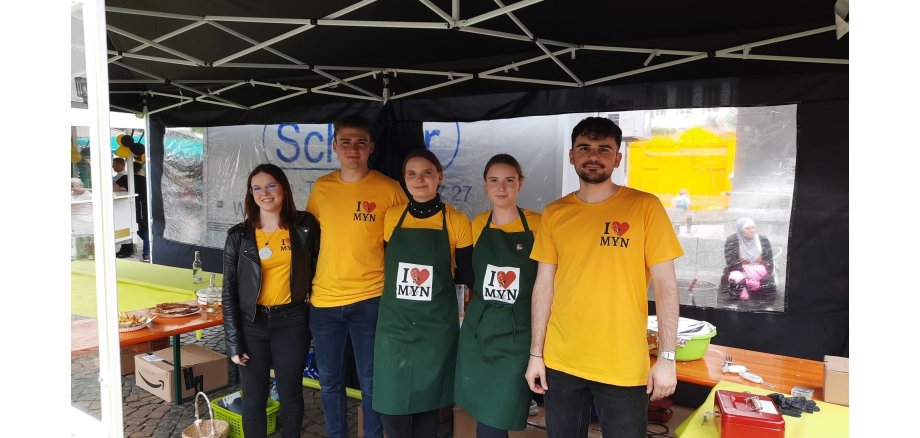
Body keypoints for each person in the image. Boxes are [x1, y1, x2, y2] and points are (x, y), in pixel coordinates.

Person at [524, 117, 684, 438]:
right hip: (562, 360)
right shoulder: (555, 213)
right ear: (572, 156)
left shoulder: (644, 207)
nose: (593, 156)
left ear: (617, 158)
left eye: (603, 149)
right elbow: (543, 287)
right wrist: (536, 354)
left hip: (622, 363)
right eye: (584, 148)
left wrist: (667, 357)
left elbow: (666, 286)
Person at [305, 115, 407, 438]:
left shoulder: (389, 189)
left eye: (360, 142)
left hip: (371, 300)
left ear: (371, 148)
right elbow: (309, 240)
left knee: (372, 382)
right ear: (334, 146)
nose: (353, 149)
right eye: (345, 142)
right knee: (330, 383)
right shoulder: (322, 188)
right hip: (324, 302)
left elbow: (405, 240)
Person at [374, 149, 474, 438]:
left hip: (435, 330)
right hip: (394, 327)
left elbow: (467, 277)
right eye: (412, 174)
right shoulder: (392, 217)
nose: (419, 180)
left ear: (439, 177)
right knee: (392, 411)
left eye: (427, 173)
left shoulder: (456, 221)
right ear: (404, 179)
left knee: (428, 412)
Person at [222, 163, 320, 438]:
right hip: (252, 323)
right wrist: (233, 341)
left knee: (290, 394)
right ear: (250, 194)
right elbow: (229, 291)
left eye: (271, 185)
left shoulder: (305, 226)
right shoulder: (238, 236)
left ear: (284, 188)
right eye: (257, 188)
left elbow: (320, 266)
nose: (264, 193)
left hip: (292, 321)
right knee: (254, 397)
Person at [455, 154, 541, 438]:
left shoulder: (538, 224)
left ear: (520, 183)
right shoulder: (477, 223)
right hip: (479, 332)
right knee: (483, 412)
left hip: (517, 335)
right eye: (494, 181)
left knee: (496, 414)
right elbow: (469, 276)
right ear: (485, 185)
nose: (501, 187)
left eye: (509, 180)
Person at [718, 217, 776, 307]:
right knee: (735, 280)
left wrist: (758, 271)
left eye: (753, 227)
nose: (751, 230)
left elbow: (769, 260)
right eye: (747, 228)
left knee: (769, 282)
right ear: (741, 230)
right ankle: (734, 305)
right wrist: (746, 272)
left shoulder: (762, 240)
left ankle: (765, 306)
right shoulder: (732, 240)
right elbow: (731, 262)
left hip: (760, 270)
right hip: (739, 270)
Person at [114, 161, 150, 261]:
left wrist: (123, 190)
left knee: (136, 227)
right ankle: (147, 253)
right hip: (143, 207)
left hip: (129, 207)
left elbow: (113, 187)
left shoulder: (125, 178)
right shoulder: (144, 179)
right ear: (139, 169)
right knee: (145, 229)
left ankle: (148, 248)